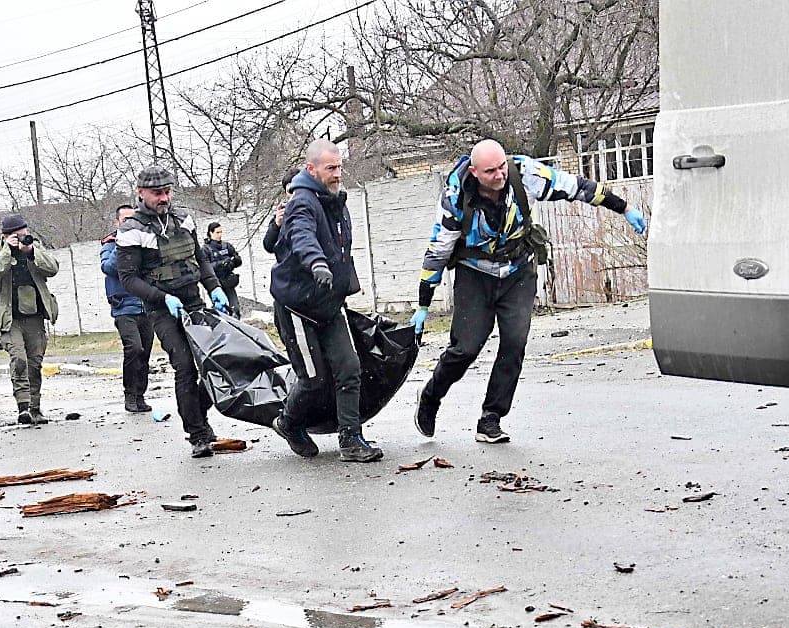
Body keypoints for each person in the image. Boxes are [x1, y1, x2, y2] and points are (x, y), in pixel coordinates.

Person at [411, 139, 646, 444]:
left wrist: (624, 207)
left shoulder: (525, 175)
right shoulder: (456, 196)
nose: (500, 175)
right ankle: (431, 396)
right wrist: (422, 307)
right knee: (465, 349)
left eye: (502, 167)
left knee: (514, 343)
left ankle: (491, 418)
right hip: (475, 273)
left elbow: (576, 186)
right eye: (491, 171)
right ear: (475, 172)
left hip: (518, 270)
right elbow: (438, 250)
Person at [269, 139, 382, 463]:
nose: (337, 173)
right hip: (297, 306)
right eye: (330, 168)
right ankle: (288, 423)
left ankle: (350, 439)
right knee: (314, 378)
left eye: (339, 167)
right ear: (311, 169)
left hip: (329, 303)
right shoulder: (301, 202)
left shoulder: (335, 200)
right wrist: (316, 263)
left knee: (349, 368)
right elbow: (302, 235)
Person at [116, 164, 232, 458]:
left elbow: (200, 258)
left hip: (193, 301)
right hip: (161, 309)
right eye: (157, 193)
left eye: (167, 191)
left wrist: (214, 287)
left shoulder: (183, 219)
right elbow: (128, 279)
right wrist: (162, 297)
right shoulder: (132, 230)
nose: (164, 198)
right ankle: (197, 434)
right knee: (184, 365)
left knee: (213, 365)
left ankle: (199, 416)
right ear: (141, 193)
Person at [0, 213, 60, 425]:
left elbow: (52, 268)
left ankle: (35, 408)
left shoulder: (34, 246)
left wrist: (31, 251)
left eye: (24, 232)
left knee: (34, 363)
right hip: (9, 319)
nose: (22, 237)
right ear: (5, 235)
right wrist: (8, 251)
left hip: (34, 316)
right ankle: (23, 407)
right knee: (19, 359)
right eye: (16, 235)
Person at [102, 204, 154, 414]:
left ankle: (140, 395)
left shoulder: (144, 240)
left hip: (145, 306)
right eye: (125, 221)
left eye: (133, 220)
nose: (129, 224)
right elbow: (108, 267)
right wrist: (123, 243)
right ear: (117, 223)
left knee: (146, 353)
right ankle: (129, 394)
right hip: (124, 306)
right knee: (134, 348)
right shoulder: (110, 243)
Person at [203, 222, 243, 312]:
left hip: (228, 280)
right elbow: (205, 267)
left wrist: (233, 261)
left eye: (221, 232)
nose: (220, 235)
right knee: (222, 309)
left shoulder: (226, 246)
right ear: (210, 233)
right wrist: (221, 263)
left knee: (235, 308)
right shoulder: (206, 249)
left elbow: (238, 260)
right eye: (217, 232)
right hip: (216, 283)